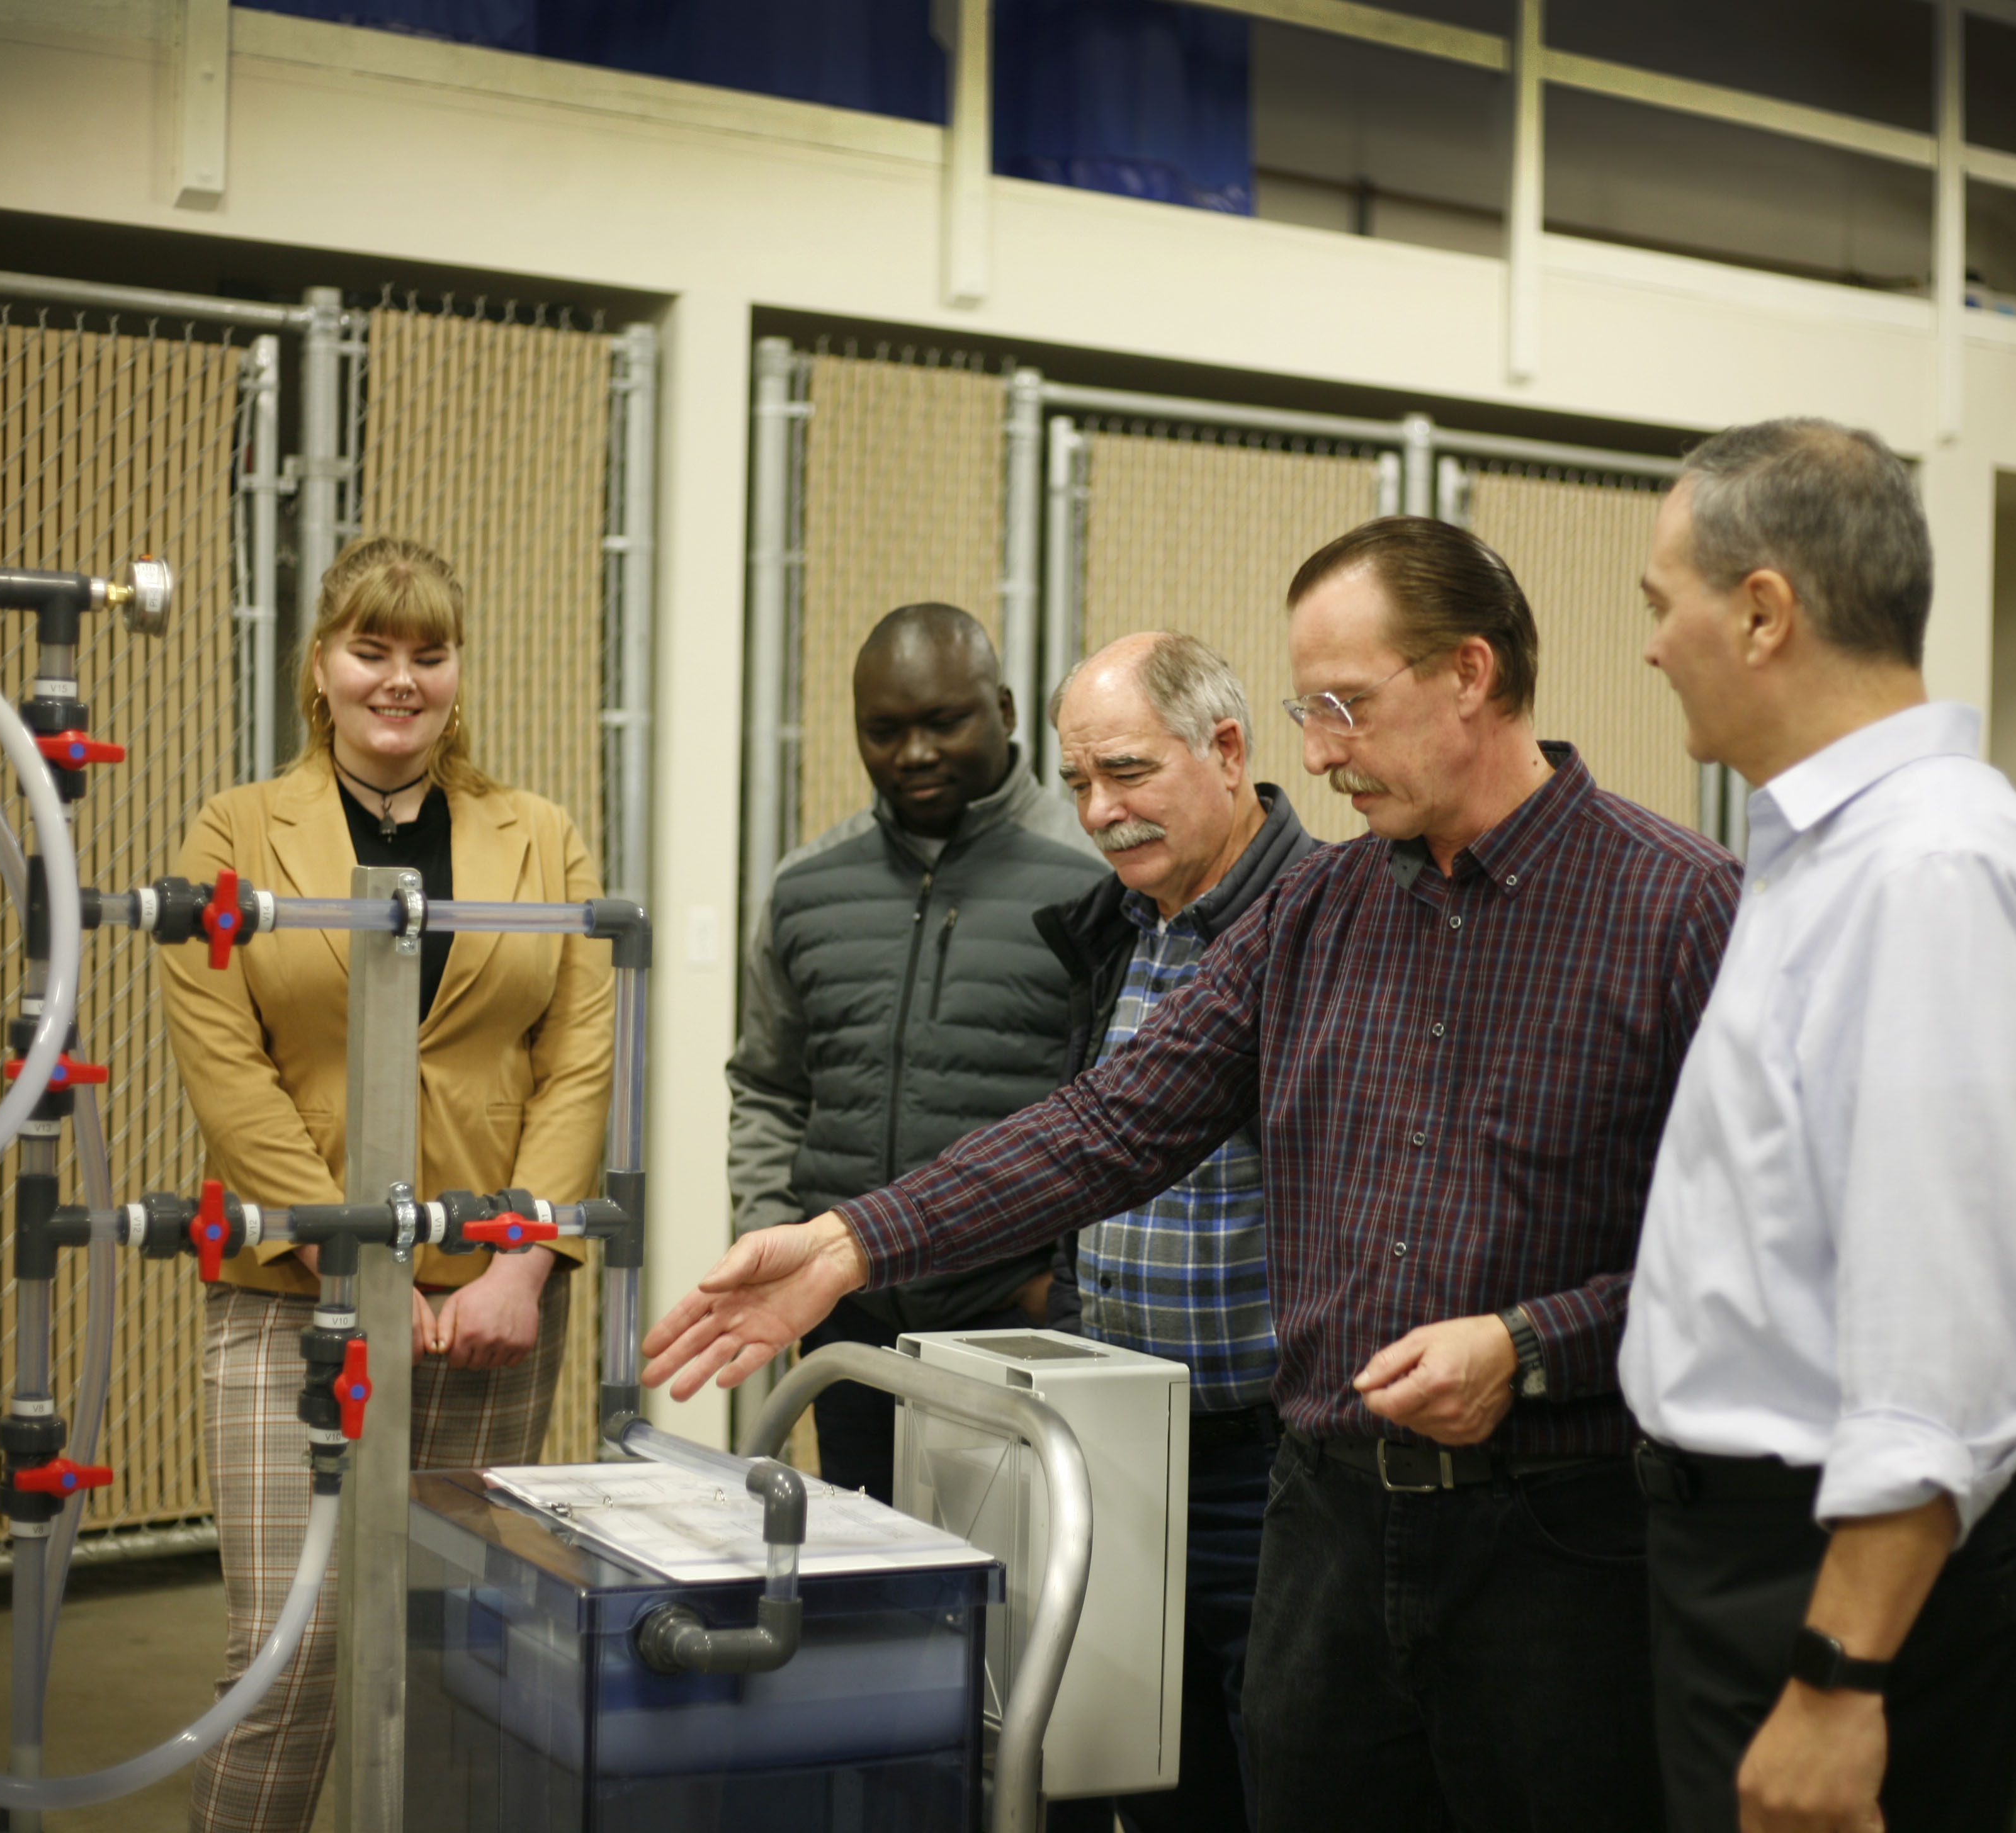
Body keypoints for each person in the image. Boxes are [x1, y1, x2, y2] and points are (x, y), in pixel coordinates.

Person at [651, 517, 1741, 1833]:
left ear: (1470, 673)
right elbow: (1109, 1126)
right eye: (1307, 711)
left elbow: (1747, 1265)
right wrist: (848, 1243)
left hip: (1564, 1547)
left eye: (1345, 706)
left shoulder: (1681, 910)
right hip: (1330, 1538)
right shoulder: (1320, 913)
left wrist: (1529, 1346)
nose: (1318, 752)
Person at [1620, 419, 2016, 1833]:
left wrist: (1838, 1680)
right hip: (1761, 1557)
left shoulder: (1928, 871)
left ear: (1763, 612)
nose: (1650, 647)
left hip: (1833, 1582)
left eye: (1663, 603)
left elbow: (1938, 1339)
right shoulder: (1827, 855)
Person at [159, 536, 612, 1833]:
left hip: (487, 1311)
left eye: (429, 652)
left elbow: (580, 1058)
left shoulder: (541, 837)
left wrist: (525, 1257)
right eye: (372, 650)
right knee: (292, 1646)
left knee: (449, 1640)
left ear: (458, 673)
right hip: (289, 1295)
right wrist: (352, 1259)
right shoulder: (236, 828)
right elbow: (225, 1066)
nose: (400, 679)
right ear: (321, 666)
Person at [1034, 631, 1319, 1833]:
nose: (1102, 811)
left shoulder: (1323, 921)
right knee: (1155, 1783)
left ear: (1230, 751)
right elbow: (1089, 1149)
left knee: (1283, 1778)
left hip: (1271, 1462)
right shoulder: (1116, 928)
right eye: (1079, 783)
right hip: (1122, 1447)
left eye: (1129, 772)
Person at [727, 601, 1105, 1501]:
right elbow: (769, 1087)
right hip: (849, 1324)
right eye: (885, 731)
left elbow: (1128, 1108)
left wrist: (1059, 1285)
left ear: (1004, 711)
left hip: (1016, 1328)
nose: (916, 753)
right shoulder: (806, 885)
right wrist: (777, 1237)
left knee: (1016, 1582)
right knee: (869, 1569)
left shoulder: (1094, 879)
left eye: (945, 721)